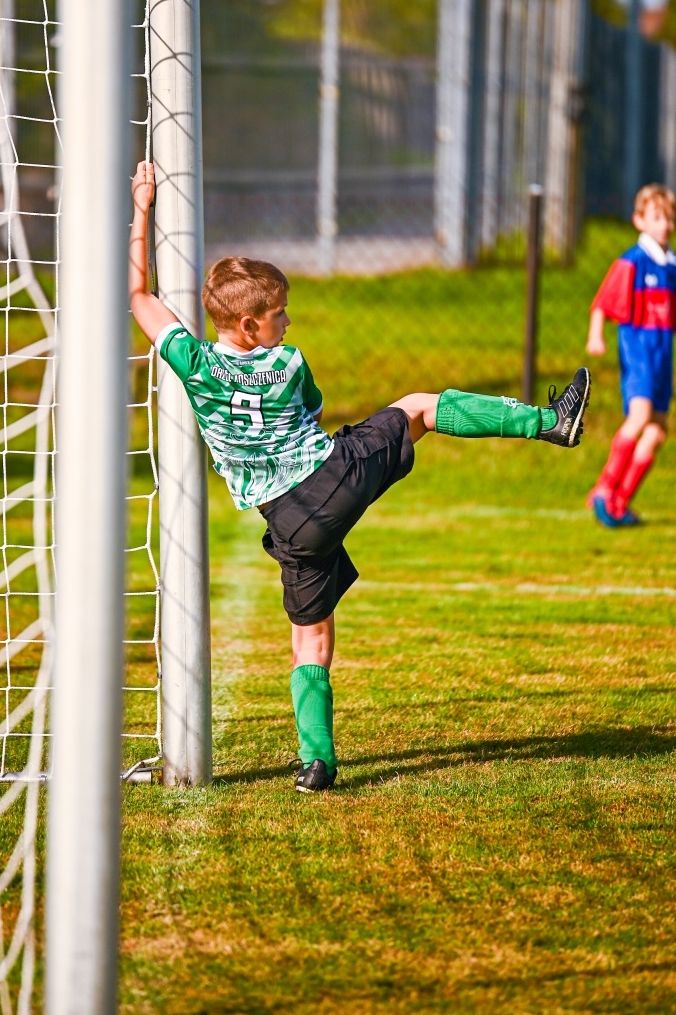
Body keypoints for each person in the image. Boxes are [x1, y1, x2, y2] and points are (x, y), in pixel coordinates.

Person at [129, 161, 592, 793]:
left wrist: (143, 206)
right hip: (329, 478)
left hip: (288, 524)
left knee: (309, 639)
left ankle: (316, 763)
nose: (287, 323)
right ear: (249, 326)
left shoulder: (192, 360)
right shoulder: (287, 362)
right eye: (278, 314)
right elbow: (313, 409)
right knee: (420, 406)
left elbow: (140, 298)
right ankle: (550, 422)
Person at [586, 183, 676, 528]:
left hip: (662, 359)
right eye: (657, 217)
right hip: (638, 354)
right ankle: (605, 488)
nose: (665, 224)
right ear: (639, 220)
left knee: (658, 431)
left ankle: (620, 503)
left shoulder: (670, 266)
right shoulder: (632, 261)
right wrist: (596, 335)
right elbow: (603, 303)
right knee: (638, 419)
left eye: (669, 217)